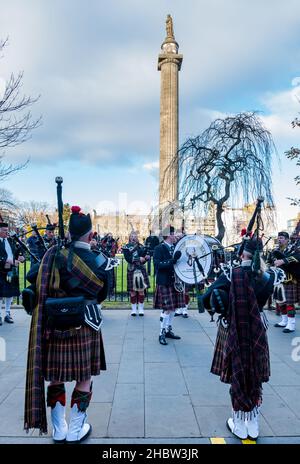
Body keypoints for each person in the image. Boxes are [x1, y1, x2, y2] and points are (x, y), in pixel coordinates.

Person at [24, 206, 108, 443]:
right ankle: (75, 431)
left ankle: (58, 429)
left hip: (55, 323)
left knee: (56, 377)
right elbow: (102, 293)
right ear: (90, 236)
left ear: (69, 233)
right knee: (84, 377)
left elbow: (33, 276)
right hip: (86, 324)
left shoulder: (53, 255)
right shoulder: (97, 259)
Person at [201, 237, 285, 440]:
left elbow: (206, 300)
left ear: (241, 254)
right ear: (261, 254)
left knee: (238, 371)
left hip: (233, 329)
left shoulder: (230, 274)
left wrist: (214, 301)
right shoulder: (269, 276)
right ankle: (253, 423)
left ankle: (238, 423)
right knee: (254, 371)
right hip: (258, 331)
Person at [153, 225, 182, 345]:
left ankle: (168, 329)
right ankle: (161, 333)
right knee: (166, 310)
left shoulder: (175, 247)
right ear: (169, 235)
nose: (175, 236)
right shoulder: (159, 248)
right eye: (173, 234)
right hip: (164, 282)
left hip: (174, 282)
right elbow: (158, 265)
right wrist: (172, 260)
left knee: (174, 308)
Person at [271, 231, 300, 333]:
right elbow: (270, 260)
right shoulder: (275, 250)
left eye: (282, 238)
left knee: (289, 302)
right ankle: (284, 321)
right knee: (280, 301)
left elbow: (297, 257)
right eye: (278, 238)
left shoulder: (293, 248)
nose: (279, 239)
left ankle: (291, 324)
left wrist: (283, 261)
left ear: (287, 240)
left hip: (289, 279)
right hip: (278, 279)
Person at [0, 221, 25, 325]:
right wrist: (6, 260)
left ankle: (7, 314)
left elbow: (18, 250)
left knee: (10, 292)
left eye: (7, 230)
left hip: (11, 269)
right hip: (0, 269)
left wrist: (21, 257)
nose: (6, 232)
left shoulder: (10, 240)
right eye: (4, 230)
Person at [123, 231, 150, 316]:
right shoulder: (126, 247)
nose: (134, 237)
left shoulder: (140, 246)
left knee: (141, 290)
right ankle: (134, 309)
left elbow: (144, 257)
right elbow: (128, 258)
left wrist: (146, 258)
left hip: (141, 269)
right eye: (132, 236)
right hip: (132, 269)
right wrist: (139, 259)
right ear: (129, 237)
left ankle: (141, 309)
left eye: (135, 236)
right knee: (132, 291)